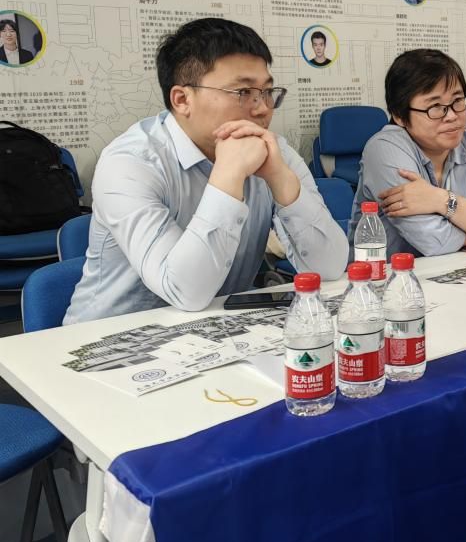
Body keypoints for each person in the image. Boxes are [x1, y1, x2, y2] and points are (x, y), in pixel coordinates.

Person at [64, 18, 348, 324]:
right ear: (182, 99)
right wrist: (229, 176)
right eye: (243, 92)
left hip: (214, 332)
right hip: (111, 338)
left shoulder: (273, 152)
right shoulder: (130, 163)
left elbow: (330, 268)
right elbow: (186, 291)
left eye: (267, 91)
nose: (263, 108)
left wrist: (279, 178)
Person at [350, 49, 466, 257]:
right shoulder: (384, 149)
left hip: (461, 270)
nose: (451, 116)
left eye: (457, 101)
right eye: (435, 106)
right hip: (387, 275)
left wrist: (440, 199)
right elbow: (432, 240)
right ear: (400, 115)